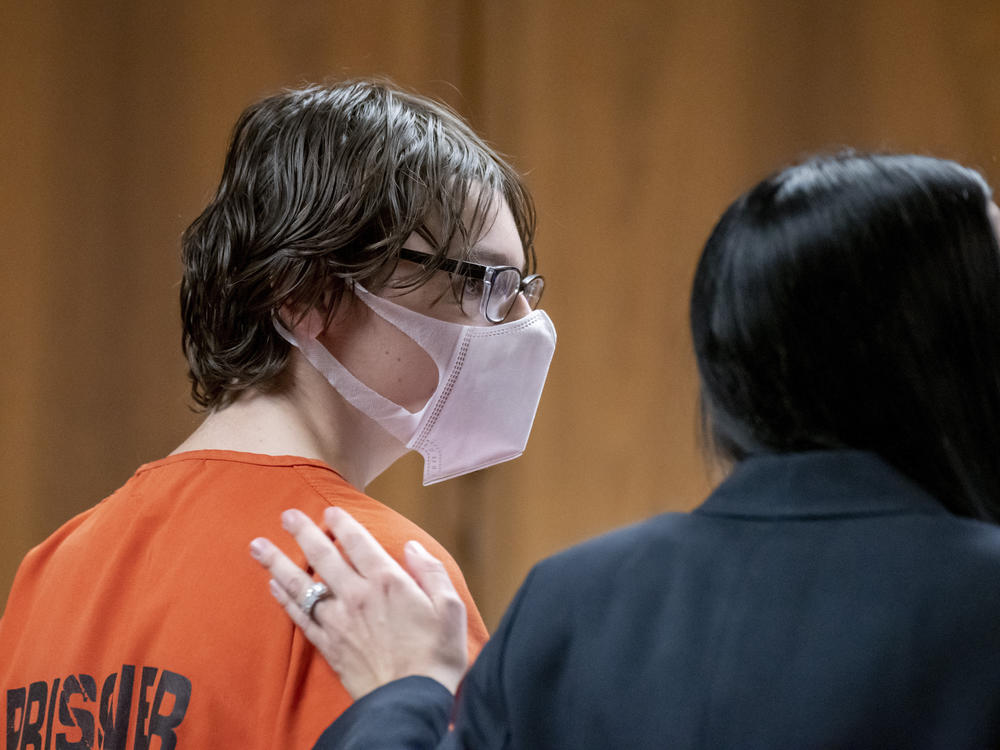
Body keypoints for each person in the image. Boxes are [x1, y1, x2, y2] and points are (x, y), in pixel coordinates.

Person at [254, 152, 1000, 748]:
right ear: (951, 349)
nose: (519, 319)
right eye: (488, 283)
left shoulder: (572, 602)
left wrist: (403, 694)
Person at [0, 80, 555, 749]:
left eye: (523, 287)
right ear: (304, 293)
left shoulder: (53, 567)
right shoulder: (379, 581)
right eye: (481, 281)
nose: (524, 324)